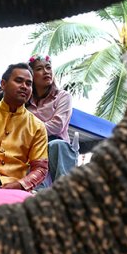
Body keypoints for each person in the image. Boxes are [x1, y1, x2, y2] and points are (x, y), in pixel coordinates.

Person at [26, 55, 79, 188]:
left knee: (57, 145)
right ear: (31, 76)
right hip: (33, 149)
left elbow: (57, 125)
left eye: (48, 67)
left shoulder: (63, 96)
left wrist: (29, 131)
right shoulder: (25, 103)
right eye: (39, 68)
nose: (46, 71)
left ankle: (65, 193)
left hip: (56, 149)